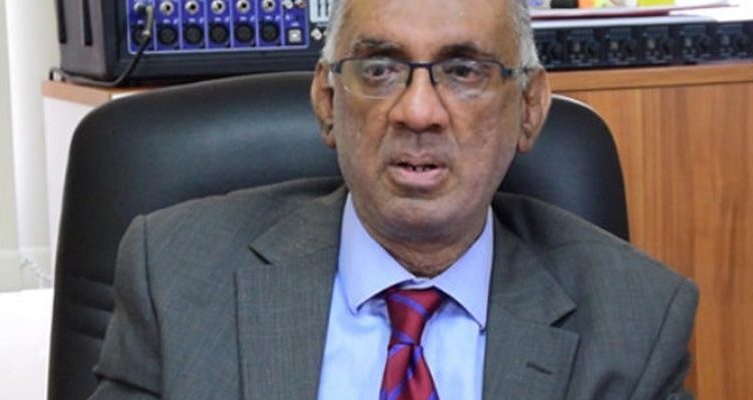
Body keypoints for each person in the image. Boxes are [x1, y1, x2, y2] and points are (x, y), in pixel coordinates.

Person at [89, 0, 698, 398]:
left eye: (464, 71)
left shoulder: (636, 321)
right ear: (327, 102)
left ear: (530, 108)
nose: (418, 111)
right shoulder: (175, 277)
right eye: (379, 69)